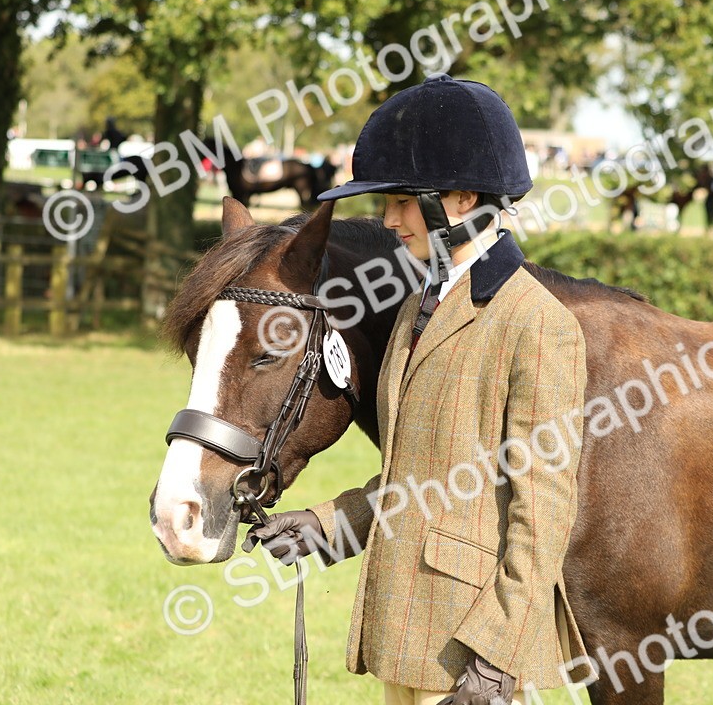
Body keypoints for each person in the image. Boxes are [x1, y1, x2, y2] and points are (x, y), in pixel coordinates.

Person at [243, 75, 589, 704]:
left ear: (460, 197)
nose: (387, 220)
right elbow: (419, 481)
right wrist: (325, 526)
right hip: (406, 629)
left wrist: (496, 654)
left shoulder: (539, 324)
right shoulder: (416, 306)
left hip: (471, 650)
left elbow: (542, 515)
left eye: (402, 202)